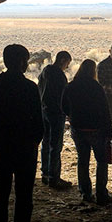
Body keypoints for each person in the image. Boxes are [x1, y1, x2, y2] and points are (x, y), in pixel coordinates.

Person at [0, 44, 44, 222]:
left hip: (3, 147)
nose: (27, 64)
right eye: (26, 60)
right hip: (26, 148)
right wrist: (35, 141)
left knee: (1, 193)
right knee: (24, 195)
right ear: (20, 62)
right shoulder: (29, 87)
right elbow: (38, 119)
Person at [62, 59, 112, 205]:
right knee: (101, 161)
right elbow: (105, 110)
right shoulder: (96, 87)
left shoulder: (71, 86)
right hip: (96, 128)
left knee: (83, 160)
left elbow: (63, 106)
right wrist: (109, 132)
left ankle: (85, 193)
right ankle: (101, 194)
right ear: (93, 71)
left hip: (78, 128)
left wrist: (72, 116)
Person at [38, 51, 72, 189]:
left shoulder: (45, 71)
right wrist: (68, 111)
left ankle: (45, 173)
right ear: (63, 60)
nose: (67, 67)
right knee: (56, 145)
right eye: (67, 64)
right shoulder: (59, 76)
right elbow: (63, 96)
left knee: (46, 142)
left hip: (44, 110)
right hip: (56, 113)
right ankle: (54, 177)